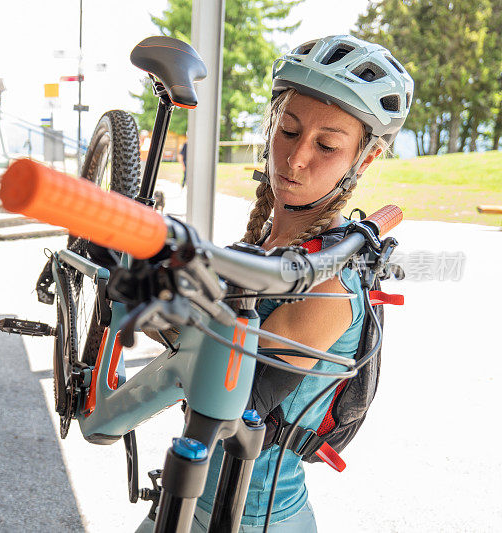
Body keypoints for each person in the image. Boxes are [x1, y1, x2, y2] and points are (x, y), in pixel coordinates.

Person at [136, 35, 413, 532]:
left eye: (327, 145)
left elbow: (235, 405)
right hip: (190, 501)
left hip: (253, 520)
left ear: (364, 160)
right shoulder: (263, 245)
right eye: (287, 130)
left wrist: (164, 302)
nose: (296, 158)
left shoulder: (330, 286)